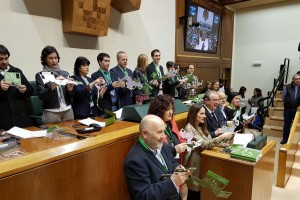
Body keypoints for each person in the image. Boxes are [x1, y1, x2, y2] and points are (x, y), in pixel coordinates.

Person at [124, 114, 190, 200]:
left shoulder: (162, 145)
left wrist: (178, 169)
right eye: (159, 132)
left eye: (164, 131)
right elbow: (143, 196)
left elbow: (172, 162)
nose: (164, 136)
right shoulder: (135, 160)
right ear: (145, 134)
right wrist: (173, 182)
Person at [184, 104, 234, 200]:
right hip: (195, 164)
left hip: (204, 160)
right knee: (194, 192)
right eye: (201, 114)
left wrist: (225, 144)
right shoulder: (189, 129)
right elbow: (205, 145)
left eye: (205, 113)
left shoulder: (200, 126)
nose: (205, 116)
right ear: (194, 114)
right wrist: (222, 137)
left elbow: (210, 142)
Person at [35, 46, 74, 124]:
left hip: (67, 110)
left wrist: (70, 90)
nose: (54, 61)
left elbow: (71, 95)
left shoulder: (65, 73)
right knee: (53, 135)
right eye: (51, 58)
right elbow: (41, 96)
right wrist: (53, 86)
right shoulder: (41, 75)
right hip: (51, 111)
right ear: (45, 59)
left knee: (71, 133)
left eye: (56, 58)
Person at [0, 44, 33, 130]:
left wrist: (24, 89)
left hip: (21, 117)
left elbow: (31, 90)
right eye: (0, 59)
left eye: (6, 58)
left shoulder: (16, 71)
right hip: (3, 119)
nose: (4, 61)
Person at [148, 95, 187, 159]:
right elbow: (156, 153)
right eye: (167, 109)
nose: (171, 112)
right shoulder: (153, 127)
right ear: (159, 111)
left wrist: (187, 144)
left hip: (176, 162)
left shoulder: (171, 122)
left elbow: (179, 138)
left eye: (171, 108)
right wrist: (174, 150)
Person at [281, 73, 300, 144]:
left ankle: (294, 140)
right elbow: (283, 98)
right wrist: (287, 103)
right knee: (286, 125)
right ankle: (285, 139)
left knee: (296, 126)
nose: (298, 81)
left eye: (299, 79)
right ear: (293, 80)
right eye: (296, 79)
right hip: (288, 109)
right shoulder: (287, 87)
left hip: (297, 110)